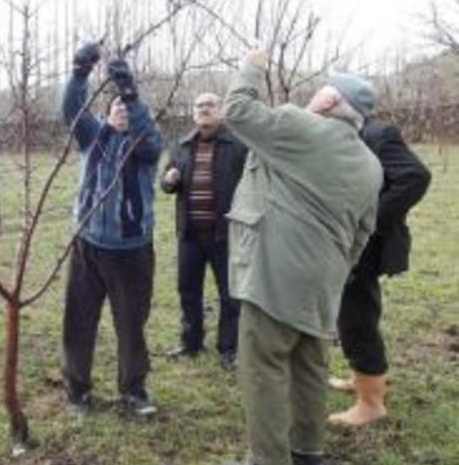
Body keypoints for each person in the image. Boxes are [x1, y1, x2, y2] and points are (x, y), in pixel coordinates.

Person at [223, 51, 383, 465]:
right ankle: (308, 452)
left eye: (320, 92)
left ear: (330, 102)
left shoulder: (301, 128)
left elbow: (238, 109)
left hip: (275, 277)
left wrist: (253, 66)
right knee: (310, 367)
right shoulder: (371, 165)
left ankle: (268, 458)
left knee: (265, 370)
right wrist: (336, 269)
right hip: (325, 282)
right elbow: (363, 233)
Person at [60, 42, 162, 416]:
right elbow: (71, 109)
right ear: (105, 112)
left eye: (127, 109)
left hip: (131, 248)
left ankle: (134, 389)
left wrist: (131, 94)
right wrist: (79, 72)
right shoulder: (93, 137)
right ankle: (76, 390)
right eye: (116, 107)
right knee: (78, 319)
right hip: (88, 244)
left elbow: (149, 138)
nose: (120, 112)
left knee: (132, 323)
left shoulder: (145, 144)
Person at [326, 74, 431, 427]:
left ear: (341, 102)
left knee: (358, 316)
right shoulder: (350, 134)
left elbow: (416, 177)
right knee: (349, 312)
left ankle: (371, 403)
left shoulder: (378, 133)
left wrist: (368, 221)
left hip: (367, 245)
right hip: (347, 241)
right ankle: (362, 377)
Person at [160, 92, 247, 370]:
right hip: (190, 235)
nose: (204, 110)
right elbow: (166, 184)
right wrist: (169, 179)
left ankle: (229, 348)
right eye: (199, 106)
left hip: (225, 234)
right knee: (188, 290)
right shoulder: (182, 145)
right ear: (193, 113)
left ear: (220, 111)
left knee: (230, 295)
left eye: (210, 105)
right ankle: (191, 342)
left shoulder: (237, 145)